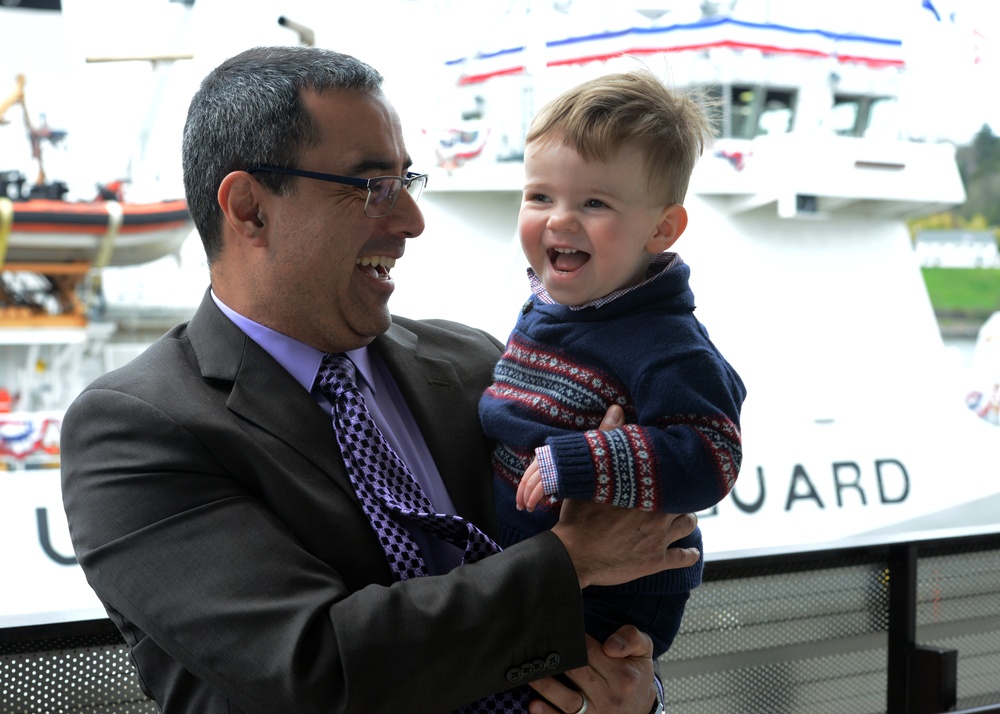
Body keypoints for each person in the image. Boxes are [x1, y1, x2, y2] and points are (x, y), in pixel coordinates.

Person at [60, 46, 701, 714]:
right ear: (249, 208)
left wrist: (630, 697)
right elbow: (317, 667)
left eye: (407, 182)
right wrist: (572, 561)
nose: (410, 222)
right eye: (372, 187)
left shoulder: (482, 365)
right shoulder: (133, 429)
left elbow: (625, 582)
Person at [479, 70, 747, 659]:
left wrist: (578, 460)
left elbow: (712, 452)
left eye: (594, 202)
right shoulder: (549, 308)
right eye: (540, 196)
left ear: (662, 227)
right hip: (531, 568)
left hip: (612, 598)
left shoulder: (666, 343)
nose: (559, 219)